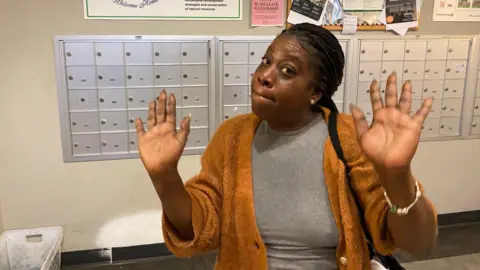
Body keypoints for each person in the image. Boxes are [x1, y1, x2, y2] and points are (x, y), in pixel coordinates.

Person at [134, 23, 438, 269]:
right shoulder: (233, 137)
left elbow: (418, 243)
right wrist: (164, 176)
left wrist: (397, 174)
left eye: (287, 70)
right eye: (267, 61)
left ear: (315, 93)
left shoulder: (347, 139)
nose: (265, 76)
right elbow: (200, 230)